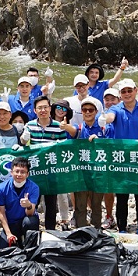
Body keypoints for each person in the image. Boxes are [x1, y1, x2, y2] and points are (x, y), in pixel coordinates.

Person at [103, 78, 138, 234]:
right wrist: (103, 119)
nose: (127, 94)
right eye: (124, 91)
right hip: (121, 159)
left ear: (136, 90)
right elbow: (110, 118)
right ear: (120, 94)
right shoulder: (116, 109)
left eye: (129, 90)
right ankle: (122, 228)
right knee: (122, 196)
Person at [26, 95, 67, 230]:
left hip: (52, 172)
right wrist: (22, 140)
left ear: (50, 109)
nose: (43, 110)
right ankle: (31, 231)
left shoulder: (58, 127)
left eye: (45, 107)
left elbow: (63, 149)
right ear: (34, 110)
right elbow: (24, 146)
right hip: (35, 172)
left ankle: (50, 233)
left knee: (51, 204)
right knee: (33, 202)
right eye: (39, 108)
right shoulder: (29, 126)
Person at [75, 97, 110, 229]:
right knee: (80, 205)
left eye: (90, 110)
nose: (87, 112)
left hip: (99, 174)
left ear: (96, 111)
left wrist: (99, 140)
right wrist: (65, 127)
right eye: (84, 110)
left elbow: (112, 145)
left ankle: (96, 231)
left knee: (96, 205)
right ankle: (81, 231)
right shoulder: (78, 128)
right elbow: (70, 134)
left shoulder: (105, 127)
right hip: (82, 174)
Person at [0, 157, 40, 247]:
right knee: (1, 249)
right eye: (17, 171)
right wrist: (8, 234)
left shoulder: (34, 188)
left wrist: (28, 206)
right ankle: (18, 241)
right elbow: (1, 213)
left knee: (30, 221)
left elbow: (30, 213)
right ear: (11, 172)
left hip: (26, 221)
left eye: (23, 172)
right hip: (11, 223)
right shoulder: (2, 188)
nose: (19, 174)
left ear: (27, 174)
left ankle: (30, 245)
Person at [50, 98, 76, 228]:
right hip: (48, 160)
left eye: (64, 109)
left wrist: (66, 127)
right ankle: (50, 219)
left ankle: (65, 219)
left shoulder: (69, 124)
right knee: (47, 193)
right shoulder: (47, 123)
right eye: (58, 108)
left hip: (63, 162)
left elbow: (74, 134)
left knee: (62, 192)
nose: (61, 111)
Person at [100, 88, 120, 229]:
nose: (110, 102)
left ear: (118, 100)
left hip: (120, 156)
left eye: (113, 99)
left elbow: (111, 117)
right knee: (106, 188)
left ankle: (119, 216)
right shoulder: (98, 115)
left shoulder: (120, 112)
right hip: (103, 157)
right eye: (107, 99)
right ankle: (108, 215)